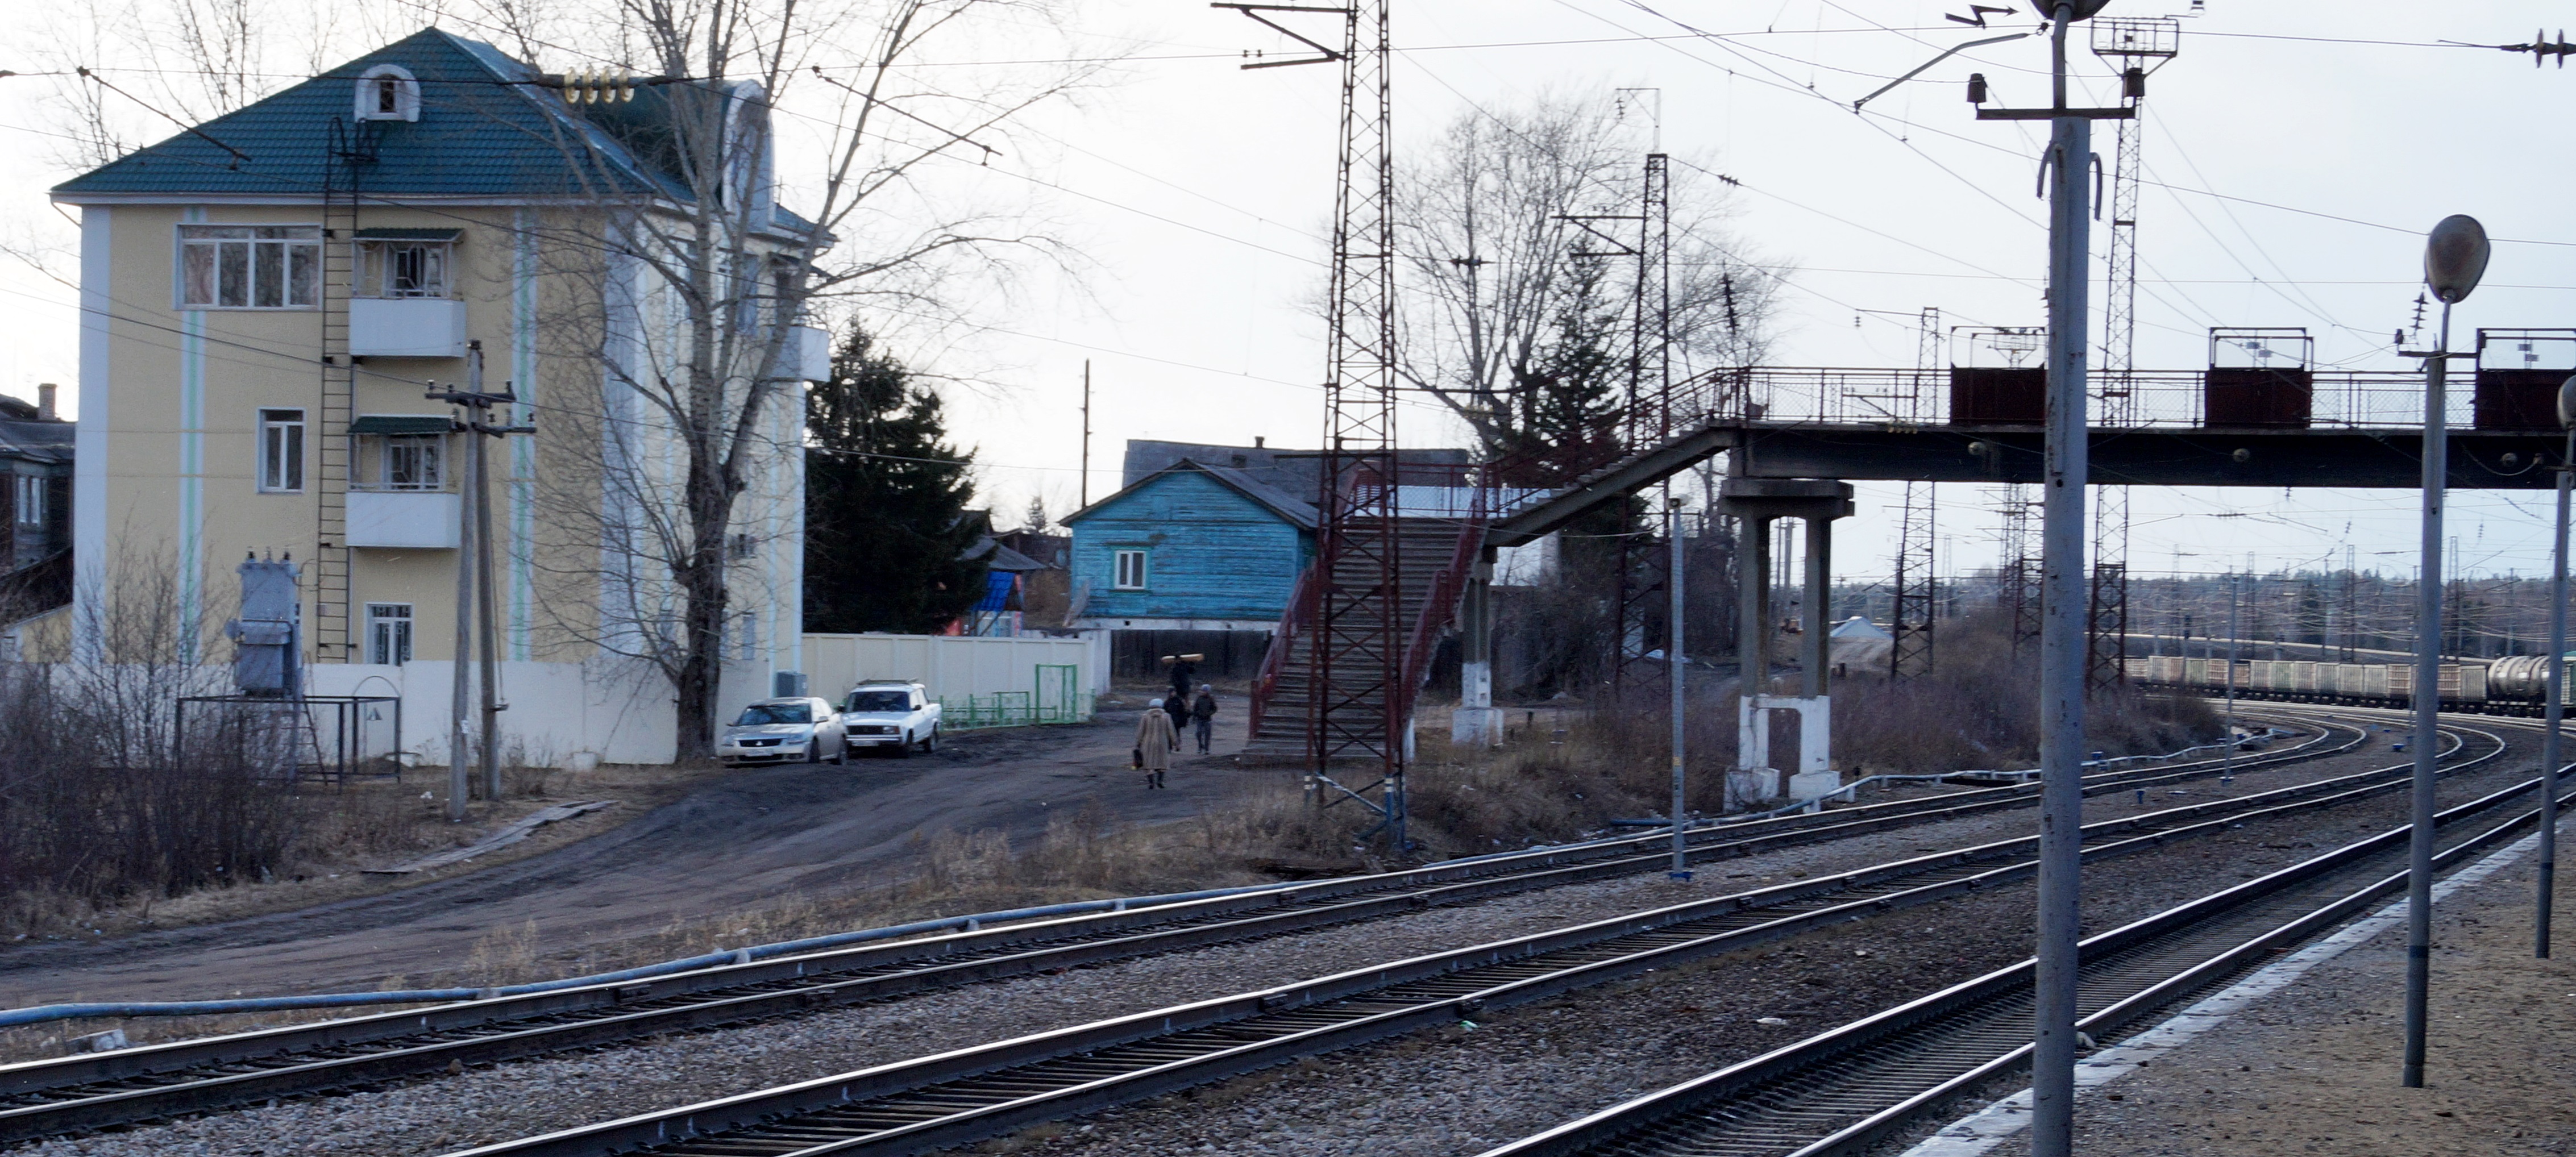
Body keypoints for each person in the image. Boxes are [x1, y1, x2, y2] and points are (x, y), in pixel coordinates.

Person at [1135, 698, 1178, 789]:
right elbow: (1171, 731)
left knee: (1148, 763)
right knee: (1162, 762)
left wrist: (1138, 742)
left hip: (1148, 743)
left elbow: (1141, 731)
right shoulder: (1166, 716)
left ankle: (1151, 782)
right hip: (1162, 742)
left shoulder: (1145, 716)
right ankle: (1160, 781)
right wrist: (1175, 743)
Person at [1190, 684, 1218, 755]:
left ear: (1208, 692)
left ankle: (1207, 749)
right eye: (1202, 691)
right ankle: (1200, 746)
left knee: (1207, 735)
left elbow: (1215, 708)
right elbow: (1195, 708)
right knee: (1199, 733)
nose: (1202, 692)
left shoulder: (1211, 699)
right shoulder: (1199, 698)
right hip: (1200, 719)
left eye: (1204, 691)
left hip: (1207, 719)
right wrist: (1195, 716)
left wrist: (1209, 713)